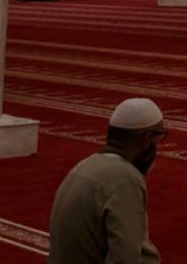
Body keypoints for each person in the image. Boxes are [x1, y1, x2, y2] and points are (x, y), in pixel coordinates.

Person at [49, 97, 167, 264]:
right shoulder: (125, 179)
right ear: (146, 140)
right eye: (159, 140)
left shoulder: (85, 165)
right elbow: (125, 258)